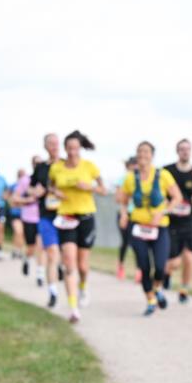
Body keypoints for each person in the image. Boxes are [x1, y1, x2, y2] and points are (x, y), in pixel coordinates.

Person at [118, 141, 184, 316]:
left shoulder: (163, 175)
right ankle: (150, 300)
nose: (142, 155)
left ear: (152, 155)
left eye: (146, 152)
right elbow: (122, 200)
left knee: (161, 266)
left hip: (159, 227)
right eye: (139, 151)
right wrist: (124, 214)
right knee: (144, 266)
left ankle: (157, 288)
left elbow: (177, 197)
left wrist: (163, 212)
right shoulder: (131, 177)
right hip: (138, 227)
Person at [48, 130, 106, 323]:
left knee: (82, 265)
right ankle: (73, 308)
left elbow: (103, 190)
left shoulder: (89, 167)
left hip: (86, 217)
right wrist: (56, 193)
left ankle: (83, 287)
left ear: (80, 148)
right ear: (65, 149)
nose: (72, 152)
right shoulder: (57, 168)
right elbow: (50, 186)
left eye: (75, 148)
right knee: (69, 263)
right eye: (69, 148)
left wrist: (89, 187)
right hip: (66, 217)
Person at [163, 138, 192, 304]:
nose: (185, 152)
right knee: (174, 263)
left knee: (189, 257)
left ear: (191, 151)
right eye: (182, 149)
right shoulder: (167, 171)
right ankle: (166, 275)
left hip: (189, 222)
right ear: (177, 151)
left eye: (187, 149)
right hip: (170, 222)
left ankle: (184, 289)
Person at [29, 134, 63, 307]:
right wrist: (36, 192)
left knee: (65, 255)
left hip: (66, 215)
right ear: (45, 146)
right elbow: (32, 186)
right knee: (51, 253)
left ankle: (61, 269)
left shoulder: (66, 165)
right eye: (50, 143)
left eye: (56, 143)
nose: (54, 146)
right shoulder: (41, 167)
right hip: (46, 215)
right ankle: (53, 292)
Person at [12, 158, 43, 280]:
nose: (38, 166)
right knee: (31, 246)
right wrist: (28, 200)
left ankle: (40, 273)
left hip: (44, 217)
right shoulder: (25, 180)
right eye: (36, 163)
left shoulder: (47, 179)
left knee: (41, 245)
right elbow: (15, 198)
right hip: (29, 217)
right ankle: (27, 259)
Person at [114, 157, 136, 281]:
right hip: (124, 213)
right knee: (126, 241)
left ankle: (139, 270)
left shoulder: (143, 178)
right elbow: (117, 199)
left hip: (138, 215)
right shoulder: (122, 179)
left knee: (137, 243)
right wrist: (127, 195)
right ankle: (121, 266)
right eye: (132, 165)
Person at [7, 169, 27, 260]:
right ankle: (16, 250)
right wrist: (11, 203)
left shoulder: (28, 185)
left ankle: (19, 250)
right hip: (15, 213)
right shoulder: (13, 186)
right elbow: (7, 196)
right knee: (18, 231)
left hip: (26, 213)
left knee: (22, 233)